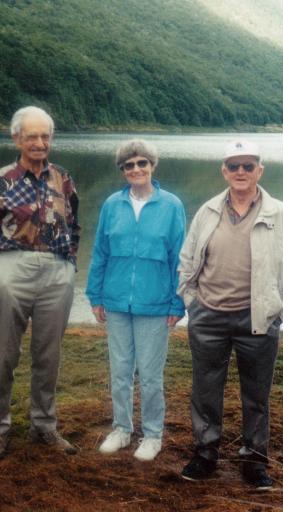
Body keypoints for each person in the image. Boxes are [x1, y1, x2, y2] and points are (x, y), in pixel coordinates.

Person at [178, 140, 283, 490]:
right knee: (206, 389)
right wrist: (192, 302)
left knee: (256, 394)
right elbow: (187, 260)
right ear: (224, 170)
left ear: (259, 171)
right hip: (208, 317)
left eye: (247, 166)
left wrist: (280, 312)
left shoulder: (280, 213)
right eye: (233, 166)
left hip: (258, 320)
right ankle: (205, 454)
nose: (240, 172)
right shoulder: (207, 210)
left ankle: (254, 460)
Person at [0, 106, 80, 459]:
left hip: (56, 274)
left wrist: (70, 265)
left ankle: (44, 426)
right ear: (17, 138)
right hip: (10, 270)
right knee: (5, 355)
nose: (40, 143)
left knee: (49, 355)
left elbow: (75, 227)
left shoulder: (64, 178)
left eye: (45, 136)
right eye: (32, 136)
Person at [86, 139, 186, 461]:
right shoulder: (111, 205)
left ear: (152, 166)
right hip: (115, 302)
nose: (136, 169)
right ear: (122, 170)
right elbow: (100, 251)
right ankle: (122, 429)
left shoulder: (172, 206)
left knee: (151, 373)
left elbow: (178, 258)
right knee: (120, 370)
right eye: (129, 165)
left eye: (142, 163)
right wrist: (95, 294)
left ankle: (153, 435)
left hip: (155, 304)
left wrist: (177, 302)